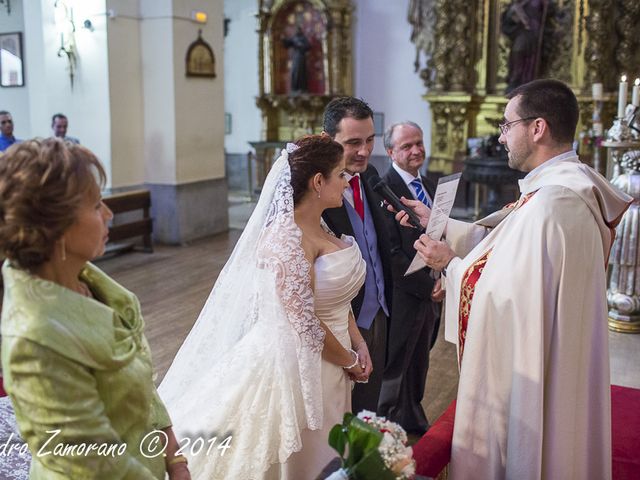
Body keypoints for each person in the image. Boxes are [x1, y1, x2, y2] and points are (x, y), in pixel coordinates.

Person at [395, 79, 631, 479]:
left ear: (536, 128)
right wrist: (440, 225)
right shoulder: (567, 188)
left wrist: (450, 264)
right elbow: (504, 245)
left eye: (507, 125)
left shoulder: (553, 204)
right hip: (559, 355)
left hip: (534, 372)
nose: (502, 137)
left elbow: (505, 297)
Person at [159, 135, 368, 479]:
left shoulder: (322, 227)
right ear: (318, 181)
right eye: (341, 175)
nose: (347, 183)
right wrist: (349, 360)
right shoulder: (286, 238)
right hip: (299, 367)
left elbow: (335, 298)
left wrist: (358, 343)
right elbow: (303, 321)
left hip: (335, 361)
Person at [0, 139, 190, 479]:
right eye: (96, 205)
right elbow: (94, 464)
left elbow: (142, 383)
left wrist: (174, 456)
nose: (109, 214)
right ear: (55, 226)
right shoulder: (35, 339)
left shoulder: (86, 280)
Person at [321, 96, 393, 414]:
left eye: (369, 140)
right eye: (353, 143)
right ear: (328, 140)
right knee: (339, 414)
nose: (365, 151)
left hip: (380, 314)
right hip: (340, 322)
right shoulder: (315, 193)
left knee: (369, 408)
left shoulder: (370, 176)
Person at [377, 121, 441, 435]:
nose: (416, 150)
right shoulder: (384, 188)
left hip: (434, 287)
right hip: (406, 293)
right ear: (390, 152)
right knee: (398, 363)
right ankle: (384, 427)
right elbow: (391, 255)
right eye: (406, 146)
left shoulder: (430, 185)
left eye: (419, 143)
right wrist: (430, 288)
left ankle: (412, 416)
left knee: (420, 360)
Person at [282, 26, 311, 93]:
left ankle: (302, 88)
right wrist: (283, 39)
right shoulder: (294, 38)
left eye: (299, 30)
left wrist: (301, 45)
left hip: (301, 57)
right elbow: (287, 44)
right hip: (295, 57)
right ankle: (294, 88)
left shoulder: (303, 38)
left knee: (301, 72)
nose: (297, 31)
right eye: (296, 30)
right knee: (294, 72)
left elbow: (308, 46)